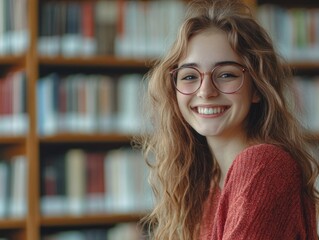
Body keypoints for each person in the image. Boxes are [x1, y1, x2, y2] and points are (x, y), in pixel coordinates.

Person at [136, 0, 319, 239]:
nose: (205, 91)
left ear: (257, 88)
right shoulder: (212, 183)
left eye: (226, 74)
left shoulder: (262, 166)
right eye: (190, 76)